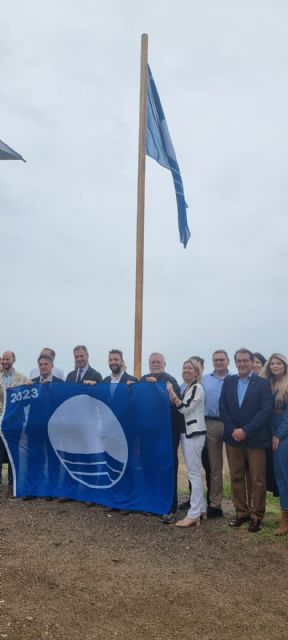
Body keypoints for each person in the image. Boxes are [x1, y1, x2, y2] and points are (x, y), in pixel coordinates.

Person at [219, 348, 273, 533]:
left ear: (252, 362)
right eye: (239, 361)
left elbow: (265, 411)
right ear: (236, 363)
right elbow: (222, 407)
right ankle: (241, 513)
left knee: (258, 479)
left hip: (256, 439)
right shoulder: (229, 381)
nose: (242, 364)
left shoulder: (263, 383)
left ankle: (257, 516)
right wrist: (234, 430)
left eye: (245, 361)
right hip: (233, 439)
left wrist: (246, 431)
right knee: (236, 477)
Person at [140, 352, 183, 523]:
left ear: (164, 363)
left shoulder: (170, 380)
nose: (155, 364)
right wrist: (130, 387)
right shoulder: (143, 379)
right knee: (151, 466)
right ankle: (153, 503)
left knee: (168, 467)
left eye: (158, 362)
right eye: (152, 362)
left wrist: (157, 386)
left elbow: (175, 402)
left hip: (168, 433)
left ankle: (170, 506)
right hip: (149, 432)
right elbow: (135, 400)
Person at [167, 359, 206, 527]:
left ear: (197, 373)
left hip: (194, 435)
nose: (186, 370)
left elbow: (185, 409)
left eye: (190, 368)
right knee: (194, 471)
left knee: (194, 473)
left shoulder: (197, 388)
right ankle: (202, 508)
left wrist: (172, 394)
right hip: (187, 434)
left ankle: (194, 513)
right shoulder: (188, 388)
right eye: (184, 367)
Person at [260, 353, 288, 534]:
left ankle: (285, 519)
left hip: (283, 434)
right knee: (278, 476)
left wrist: (278, 435)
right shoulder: (267, 384)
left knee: (283, 475)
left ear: (285, 365)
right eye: (273, 364)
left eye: (279, 363)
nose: (275, 366)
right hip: (269, 432)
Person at [202, 350, 230, 518]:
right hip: (211, 424)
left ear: (227, 361)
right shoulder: (205, 380)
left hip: (231, 424)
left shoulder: (234, 379)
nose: (219, 362)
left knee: (238, 466)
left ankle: (244, 507)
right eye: (216, 360)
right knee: (215, 466)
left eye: (222, 359)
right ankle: (215, 504)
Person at [0, 351, 29, 496]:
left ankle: (13, 485)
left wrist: (29, 387)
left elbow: (28, 399)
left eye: (8, 359)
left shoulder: (22, 378)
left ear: (14, 360)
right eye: (3, 359)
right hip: (0, 421)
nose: (5, 361)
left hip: (15, 422)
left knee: (13, 454)